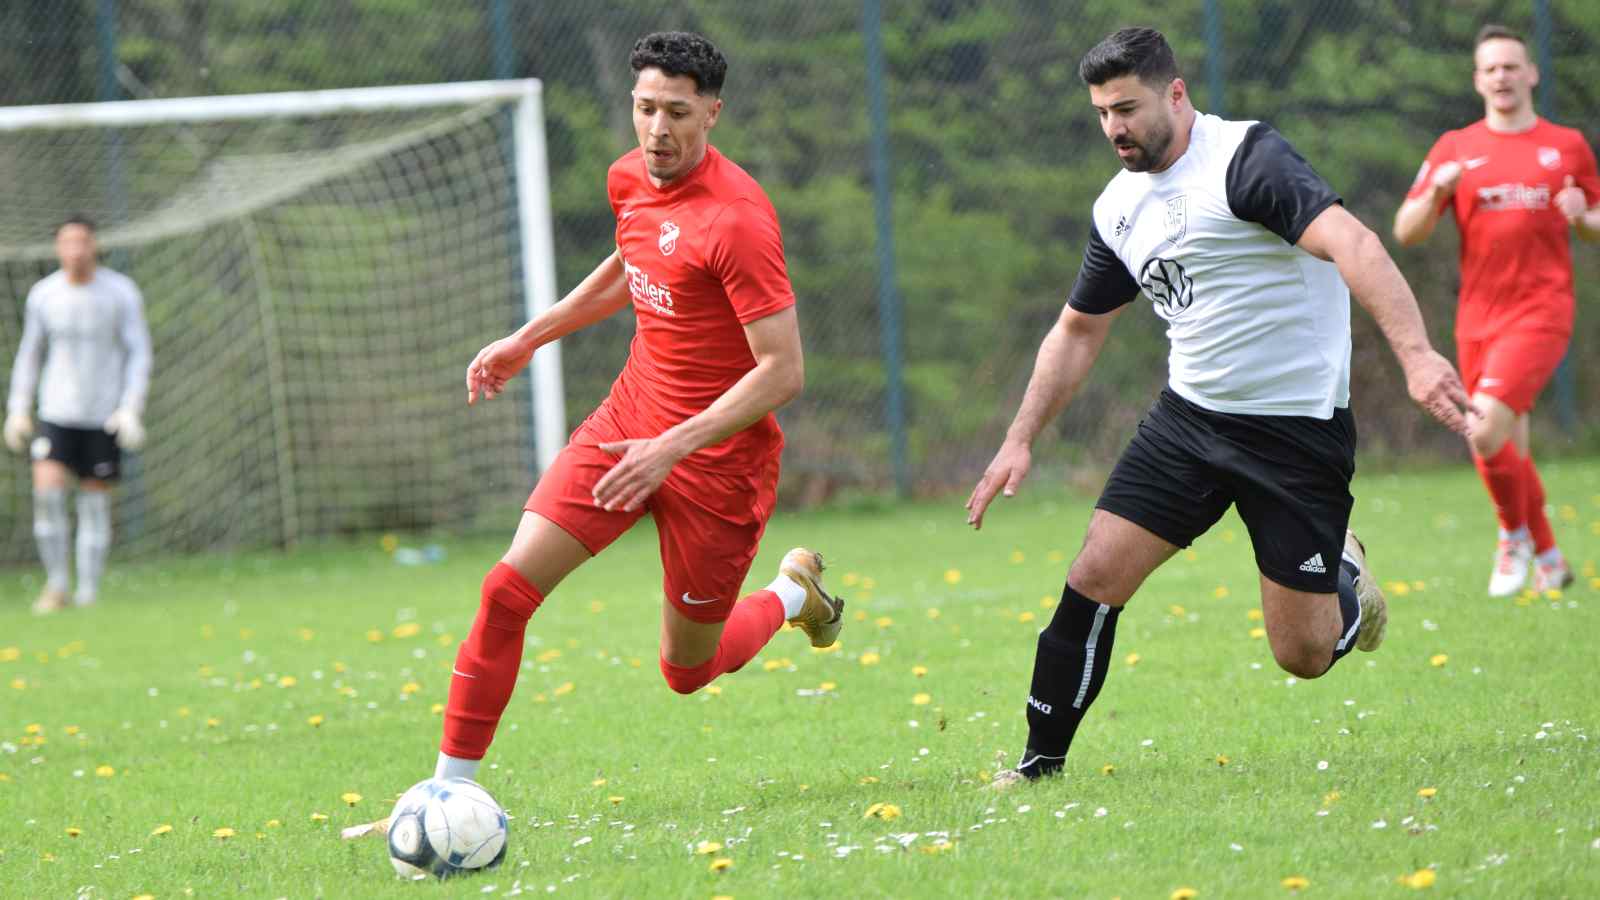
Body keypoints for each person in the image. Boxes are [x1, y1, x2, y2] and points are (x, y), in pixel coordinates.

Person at [344, 31, 841, 837]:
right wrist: (528, 338)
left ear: (712, 113)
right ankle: (445, 798)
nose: (657, 130)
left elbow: (783, 371)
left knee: (687, 671)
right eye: (645, 108)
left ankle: (792, 594)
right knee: (506, 591)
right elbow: (631, 263)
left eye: (677, 113)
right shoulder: (629, 179)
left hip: (716, 463)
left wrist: (674, 447)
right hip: (625, 426)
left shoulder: (740, 220)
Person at [966, 27, 1470, 787]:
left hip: (1295, 432)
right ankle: (1039, 766)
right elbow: (1077, 330)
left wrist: (1418, 356)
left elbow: (1357, 245)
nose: (1115, 128)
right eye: (1102, 113)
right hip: (1190, 422)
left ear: (1176, 92)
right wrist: (1019, 438)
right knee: (1094, 573)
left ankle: (1347, 580)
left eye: (1127, 108)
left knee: (1302, 655)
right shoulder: (1119, 207)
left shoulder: (1246, 160)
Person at [1392, 24, 1600, 598]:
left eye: (1512, 66)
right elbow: (1406, 231)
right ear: (1478, 80)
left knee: (1480, 429)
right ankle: (1552, 557)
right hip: (1478, 318)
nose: (1502, 77)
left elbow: (1595, 222)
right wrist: (1438, 191)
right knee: (1508, 446)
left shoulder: (1568, 145)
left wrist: (1582, 215)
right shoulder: (1455, 147)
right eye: (1491, 69)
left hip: (1542, 311)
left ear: (1531, 74)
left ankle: (1513, 536)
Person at [5, 215, 151, 614]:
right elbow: (30, 354)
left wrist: (131, 407)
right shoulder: (43, 295)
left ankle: (87, 594)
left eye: (82, 241)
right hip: (57, 412)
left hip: (103, 414)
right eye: (67, 242)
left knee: (93, 504)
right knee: (47, 496)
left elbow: (139, 351)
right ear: (57, 248)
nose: (76, 250)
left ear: (94, 245)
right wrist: (18, 408)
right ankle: (56, 586)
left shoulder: (120, 293)